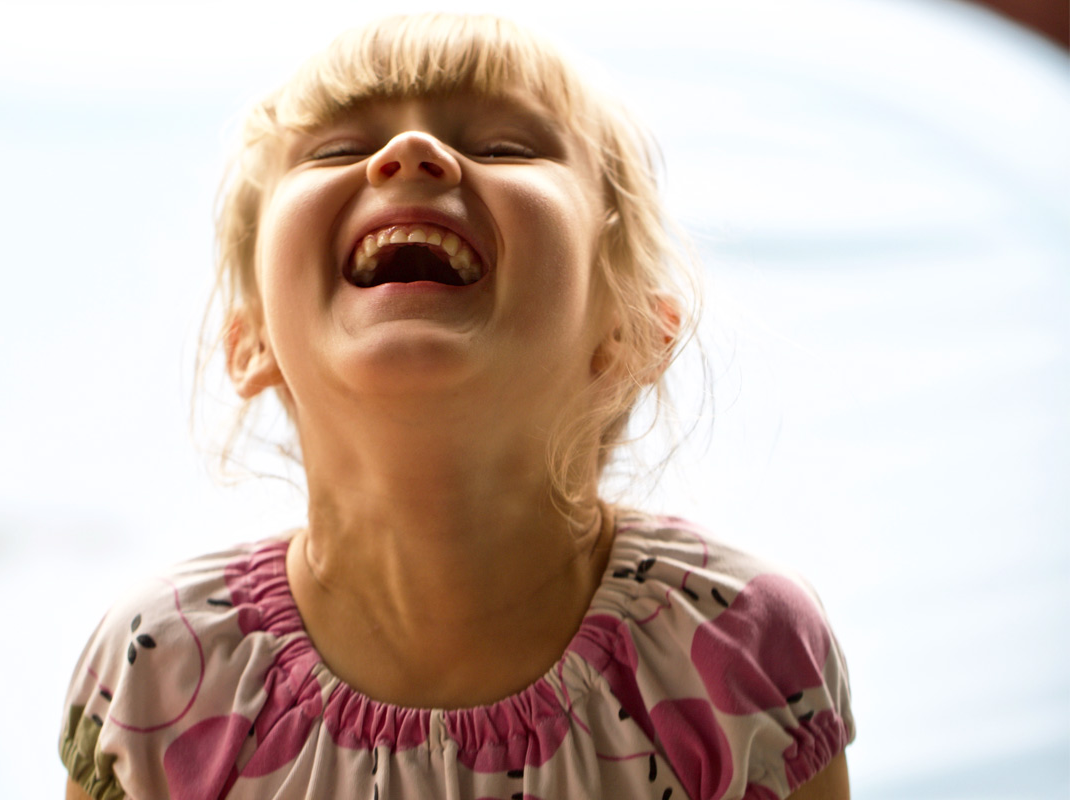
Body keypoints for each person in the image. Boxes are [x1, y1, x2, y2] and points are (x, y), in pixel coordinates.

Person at [60, 13, 853, 799]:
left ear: (629, 333)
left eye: (504, 146)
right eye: (338, 148)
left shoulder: (740, 651)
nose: (411, 154)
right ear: (252, 339)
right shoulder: (157, 674)